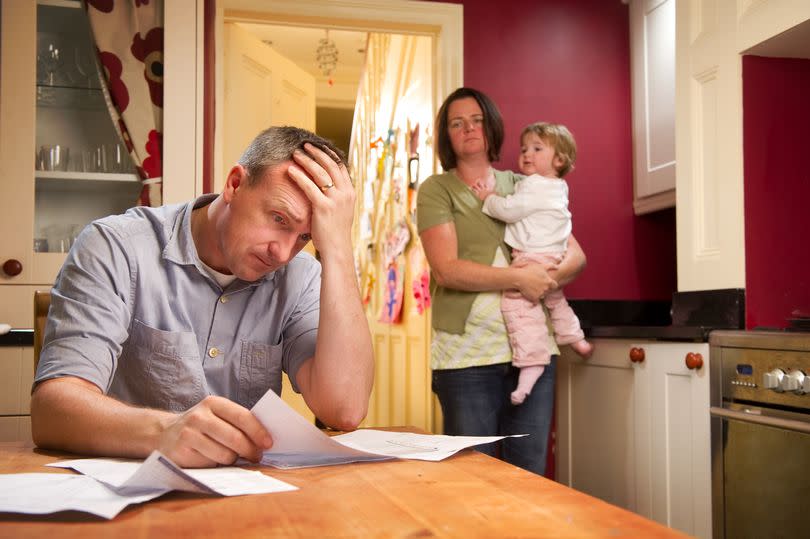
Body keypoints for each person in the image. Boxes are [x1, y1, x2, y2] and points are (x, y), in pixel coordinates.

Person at [31, 126, 374, 468]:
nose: (282, 253)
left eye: (304, 237)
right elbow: (51, 410)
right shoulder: (115, 247)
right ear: (235, 184)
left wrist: (338, 247)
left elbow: (344, 409)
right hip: (126, 491)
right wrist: (163, 432)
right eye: (279, 219)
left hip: (247, 497)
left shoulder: (299, 276)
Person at [416, 87, 586, 476]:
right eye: (457, 123)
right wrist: (518, 277)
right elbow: (446, 269)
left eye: (476, 120)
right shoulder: (437, 190)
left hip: (533, 352)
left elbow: (575, 254)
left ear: (491, 127)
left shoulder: (525, 182)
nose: (469, 129)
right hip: (466, 358)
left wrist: (543, 279)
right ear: (447, 136)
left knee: (529, 476)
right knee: (474, 479)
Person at [472, 122, 593, 406]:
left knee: (517, 305)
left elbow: (511, 210)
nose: (527, 154)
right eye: (524, 148)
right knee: (555, 300)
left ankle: (532, 362)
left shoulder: (534, 186)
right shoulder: (557, 187)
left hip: (533, 257)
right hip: (553, 255)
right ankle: (574, 336)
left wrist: (488, 198)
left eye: (537, 149)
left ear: (559, 160)